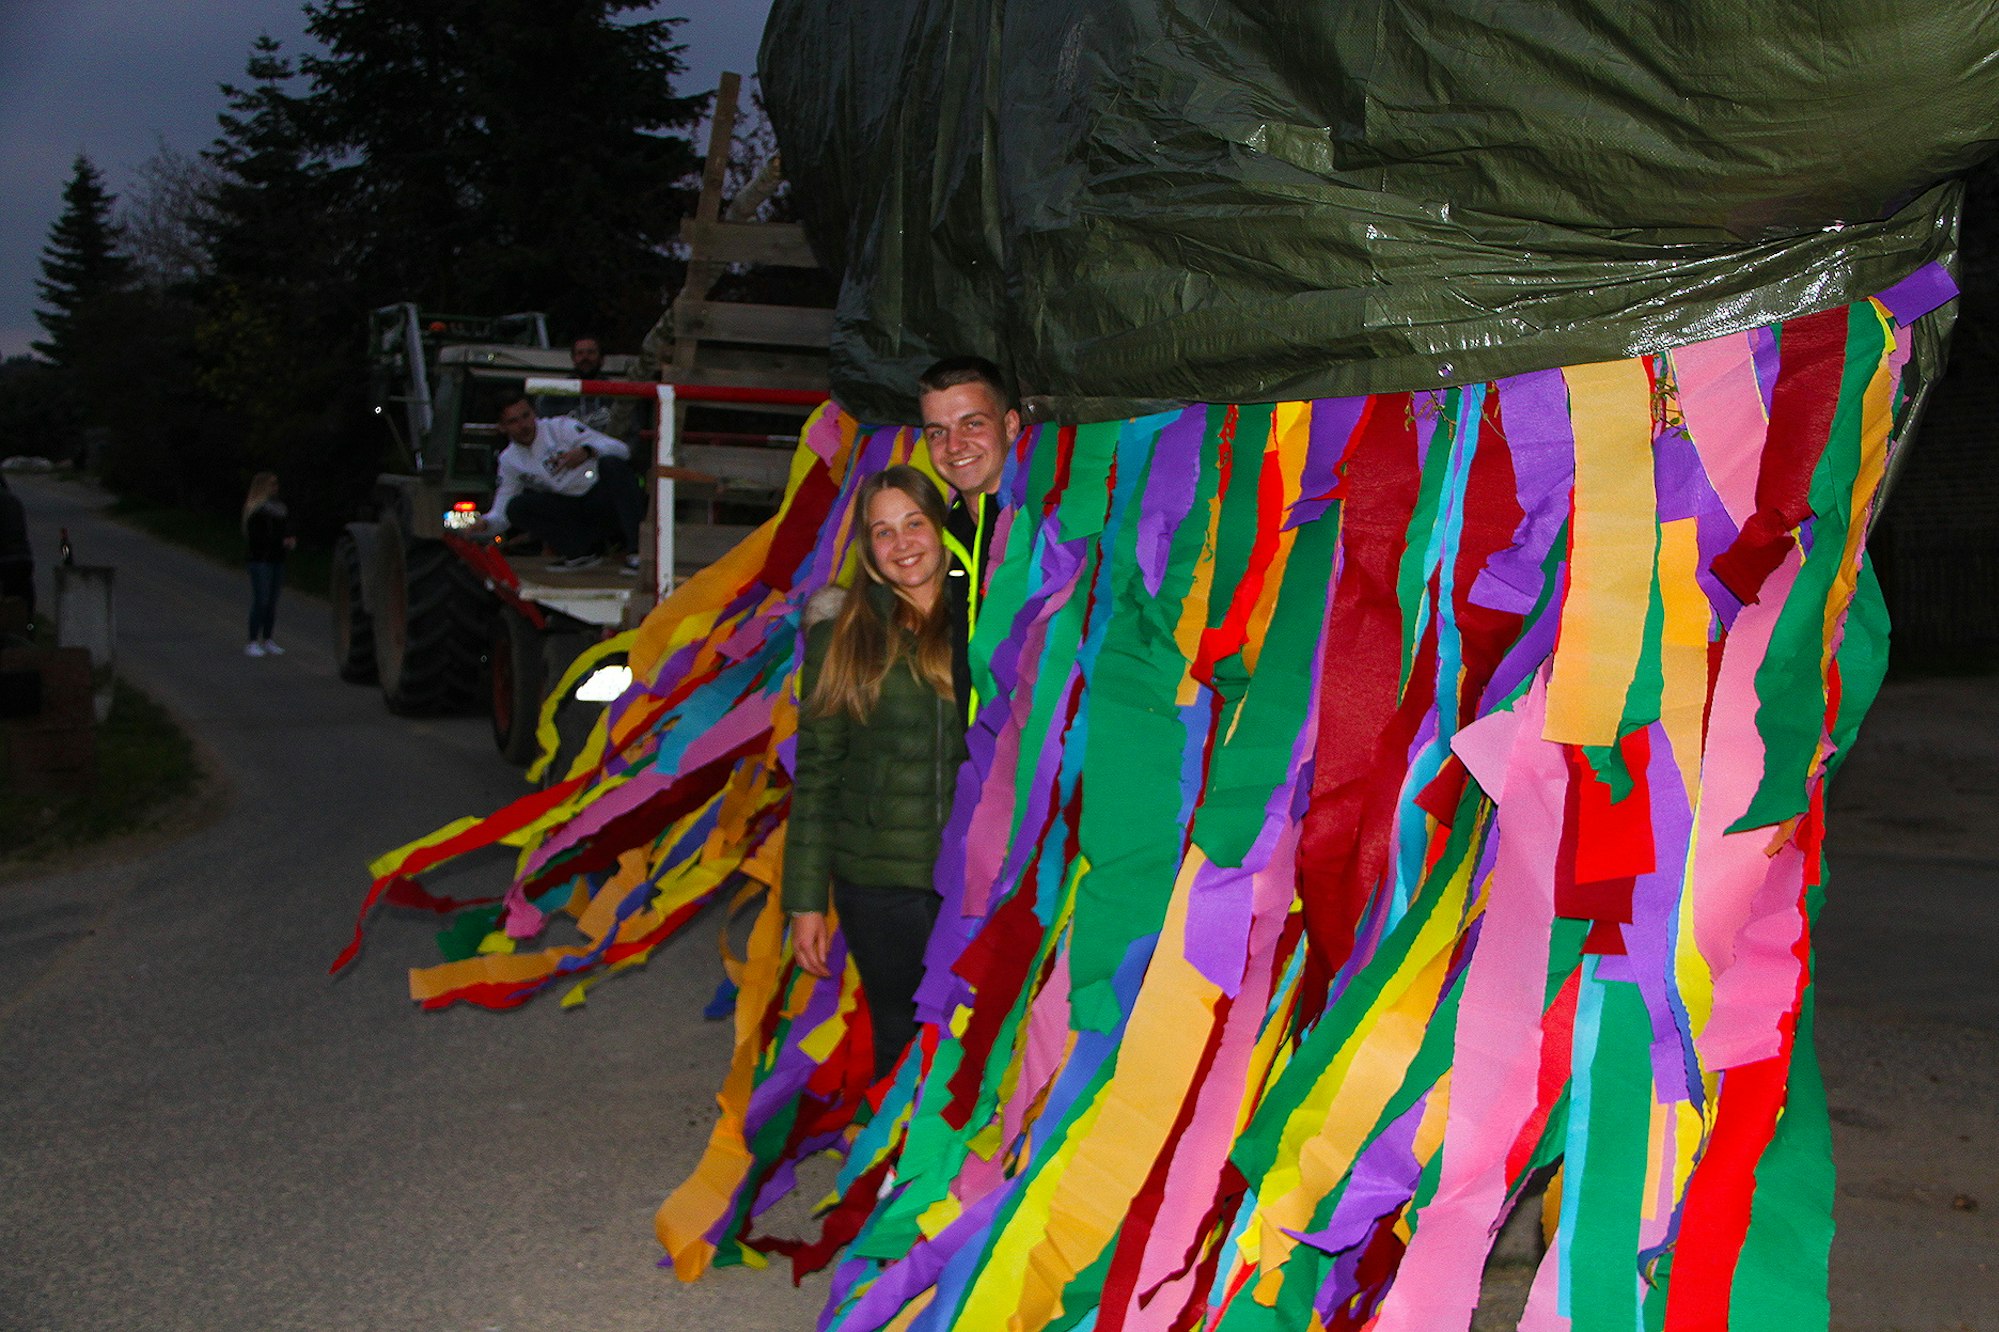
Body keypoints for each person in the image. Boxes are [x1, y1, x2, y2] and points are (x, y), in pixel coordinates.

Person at [784, 464, 968, 1080]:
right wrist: (806, 901)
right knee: (901, 1036)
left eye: (914, 523)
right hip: (879, 885)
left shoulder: (989, 621)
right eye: (883, 531)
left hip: (972, 880)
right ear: (866, 548)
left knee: (972, 1044)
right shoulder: (839, 639)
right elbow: (817, 775)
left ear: (941, 528)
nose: (902, 543)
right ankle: (891, 1145)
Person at [917, 355, 1020, 723]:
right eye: (937, 432)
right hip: (962, 750)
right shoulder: (935, 541)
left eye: (972, 424)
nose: (954, 445)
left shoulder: (1050, 528)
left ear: (1010, 425)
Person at [472, 394, 645, 572]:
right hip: (571, 510)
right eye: (513, 421)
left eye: (526, 416)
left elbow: (621, 450)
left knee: (612, 465)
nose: (524, 425)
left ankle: (638, 551)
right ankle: (580, 553)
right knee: (517, 507)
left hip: (602, 501)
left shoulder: (561, 427)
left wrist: (588, 451)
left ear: (534, 413)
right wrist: (485, 525)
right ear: (502, 427)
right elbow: (502, 510)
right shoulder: (509, 460)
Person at [241, 472, 295, 657]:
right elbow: (257, 538)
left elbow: (285, 529)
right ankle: (252, 641)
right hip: (260, 560)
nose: (275, 487)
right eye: (272, 484)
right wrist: (280, 541)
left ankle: (268, 639)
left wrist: (289, 539)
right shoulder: (255, 510)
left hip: (277, 559)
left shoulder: (279, 509)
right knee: (261, 601)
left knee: (272, 602)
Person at [543, 335, 635, 442]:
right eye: (580, 353)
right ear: (573, 359)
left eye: (591, 353)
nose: (585, 358)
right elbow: (547, 433)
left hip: (607, 450)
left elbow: (631, 433)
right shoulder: (555, 395)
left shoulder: (617, 395)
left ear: (601, 359)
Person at [0, 472, 33, 629]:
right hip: (23, 560)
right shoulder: (13, 500)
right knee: (24, 600)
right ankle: (28, 626)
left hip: (4, 561)